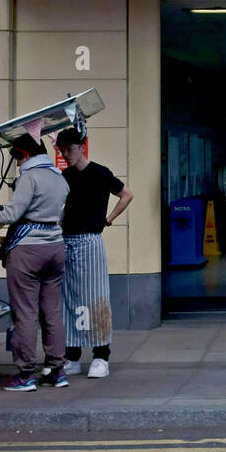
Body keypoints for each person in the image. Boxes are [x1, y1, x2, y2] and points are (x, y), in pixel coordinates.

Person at [0, 133, 69, 391]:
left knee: (26, 314)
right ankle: (57, 370)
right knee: (52, 313)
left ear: (26, 155)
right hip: (55, 248)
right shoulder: (59, 177)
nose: (18, 165)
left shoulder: (29, 177)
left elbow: (11, 214)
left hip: (28, 251)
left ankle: (25, 375)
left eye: (18, 159)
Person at [54, 127, 133, 379]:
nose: (66, 154)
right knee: (69, 300)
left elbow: (126, 194)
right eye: (63, 149)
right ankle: (72, 356)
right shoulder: (64, 176)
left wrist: (108, 220)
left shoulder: (100, 173)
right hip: (67, 239)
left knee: (96, 297)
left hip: (90, 239)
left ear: (81, 147)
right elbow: (62, 207)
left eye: (70, 149)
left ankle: (101, 356)